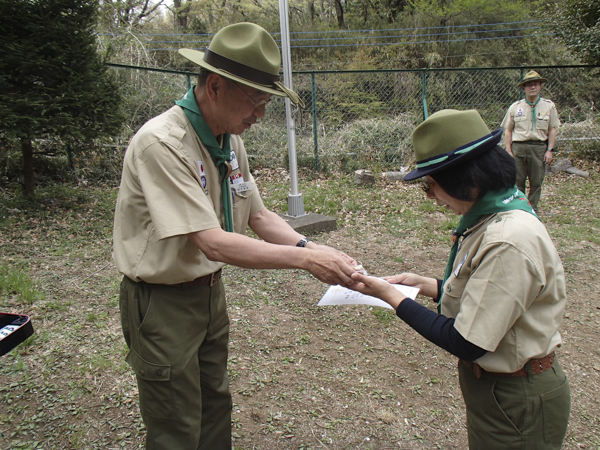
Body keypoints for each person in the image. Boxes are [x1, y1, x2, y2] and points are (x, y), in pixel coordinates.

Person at [112, 22, 359, 450]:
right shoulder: (163, 144)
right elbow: (211, 241)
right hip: (162, 302)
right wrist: (306, 262)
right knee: (176, 422)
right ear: (215, 87)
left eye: (266, 101)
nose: (261, 114)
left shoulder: (227, 139)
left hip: (210, 293)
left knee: (215, 407)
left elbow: (259, 215)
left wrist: (310, 246)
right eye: (257, 101)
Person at [349, 109, 570, 449]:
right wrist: (427, 285)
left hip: (518, 399)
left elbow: (468, 341)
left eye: (431, 185)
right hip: (498, 393)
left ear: (465, 177)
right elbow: (488, 299)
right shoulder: (490, 218)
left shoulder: (507, 240)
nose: (432, 197)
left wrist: (394, 298)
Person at [501, 70, 560, 212]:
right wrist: (508, 150)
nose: (532, 87)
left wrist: (549, 150)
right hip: (519, 148)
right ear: (524, 88)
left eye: (535, 84)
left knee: (536, 181)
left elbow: (552, 129)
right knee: (517, 180)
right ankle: (519, 208)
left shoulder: (548, 106)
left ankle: (532, 208)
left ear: (540, 87)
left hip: (539, 147)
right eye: (529, 85)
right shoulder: (515, 107)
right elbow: (508, 130)